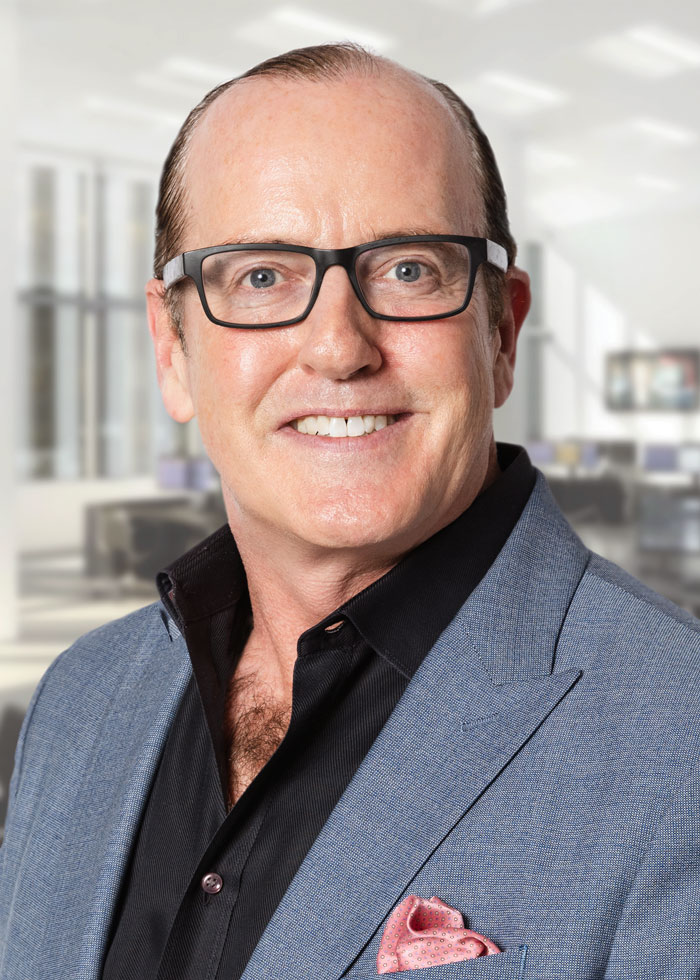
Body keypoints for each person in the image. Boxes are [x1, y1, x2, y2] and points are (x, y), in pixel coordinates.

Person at [1, 42, 699, 980]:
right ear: (171, 348)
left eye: (409, 269)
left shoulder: (678, 738)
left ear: (500, 332)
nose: (338, 347)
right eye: (260, 277)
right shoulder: (81, 700)